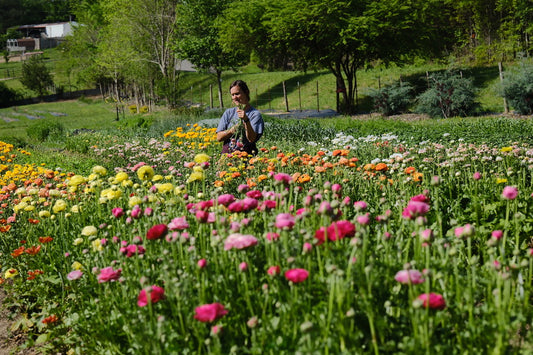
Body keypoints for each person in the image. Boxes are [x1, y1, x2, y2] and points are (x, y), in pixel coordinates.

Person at [216, 80, 264, 155]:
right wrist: (231, 131)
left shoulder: (254, 114)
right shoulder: (228, 113)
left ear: (246, 92)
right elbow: (219, 137)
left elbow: (252, 139)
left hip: (246, 156)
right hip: (228, 155)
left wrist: (246, 120)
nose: (234, 97)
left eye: (237, 94)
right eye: (232, 95)